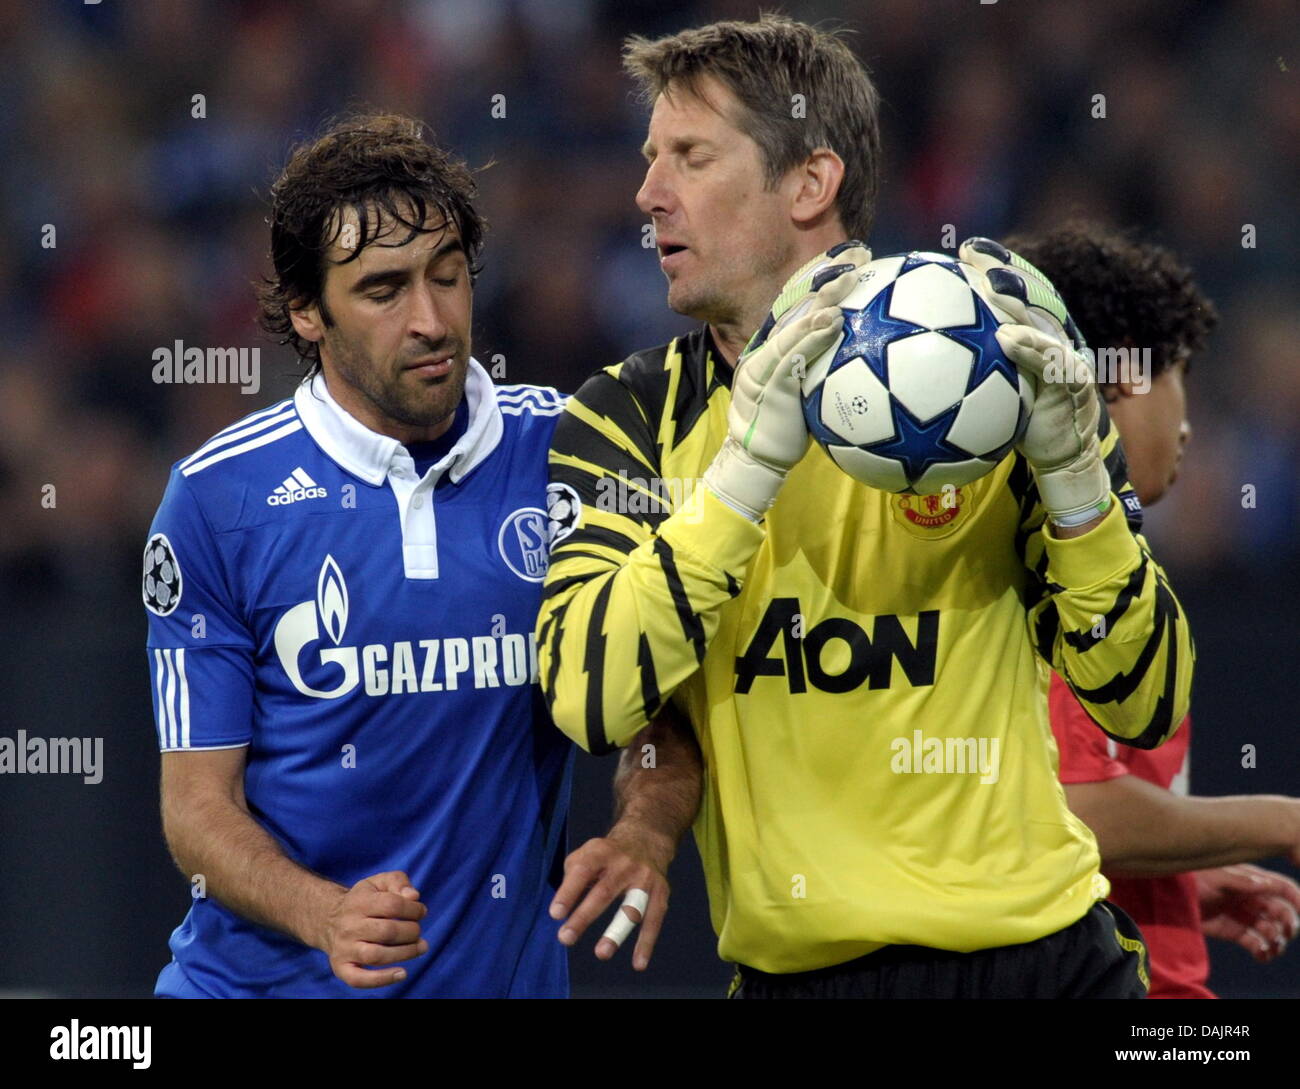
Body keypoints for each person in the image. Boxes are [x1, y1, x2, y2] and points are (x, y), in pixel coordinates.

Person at [537, 15, 1194, 998]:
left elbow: (1144, 702)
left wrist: (1076, 491)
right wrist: (747, 471)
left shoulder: (998, 378)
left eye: (690, 156)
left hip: (1044, 963)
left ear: (810, 182)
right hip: (804, 974)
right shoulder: (629, 413)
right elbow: (590, 696)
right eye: (648, 157)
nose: (647, 192)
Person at [143, 113, 583, 997]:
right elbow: (196, 808)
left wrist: (645, 830)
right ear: (307, 310)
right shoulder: (218, 499)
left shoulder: (569, 450)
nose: (430, 320)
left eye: (448, 277)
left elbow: (671, 683)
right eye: (384, 291)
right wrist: (324, 913)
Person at [1008, 223, 1300, 998]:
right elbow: (1081, 805)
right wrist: (1284, 819)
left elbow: (1052, 823)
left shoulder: (1088, 554)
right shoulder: (1059, 568)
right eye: (1179, 376)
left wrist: (1171, 884)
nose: (1188, 424)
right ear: (1119, 383)